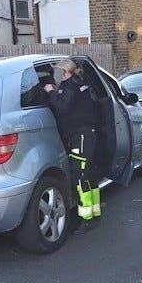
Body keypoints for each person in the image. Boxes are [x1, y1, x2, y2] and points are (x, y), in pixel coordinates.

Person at [44, 59, 100, 233]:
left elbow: (62, 106)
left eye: (58, 71)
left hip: (81, 136)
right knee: (89, 175)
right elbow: (70, 101)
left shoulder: (70, 85)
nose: (57, 74)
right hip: (87, 134)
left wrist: (50, 93)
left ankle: (86, 218)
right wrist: (57, 90)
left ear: (64, 71)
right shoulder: (78, 82)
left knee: (80, 177)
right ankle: (95, 211)